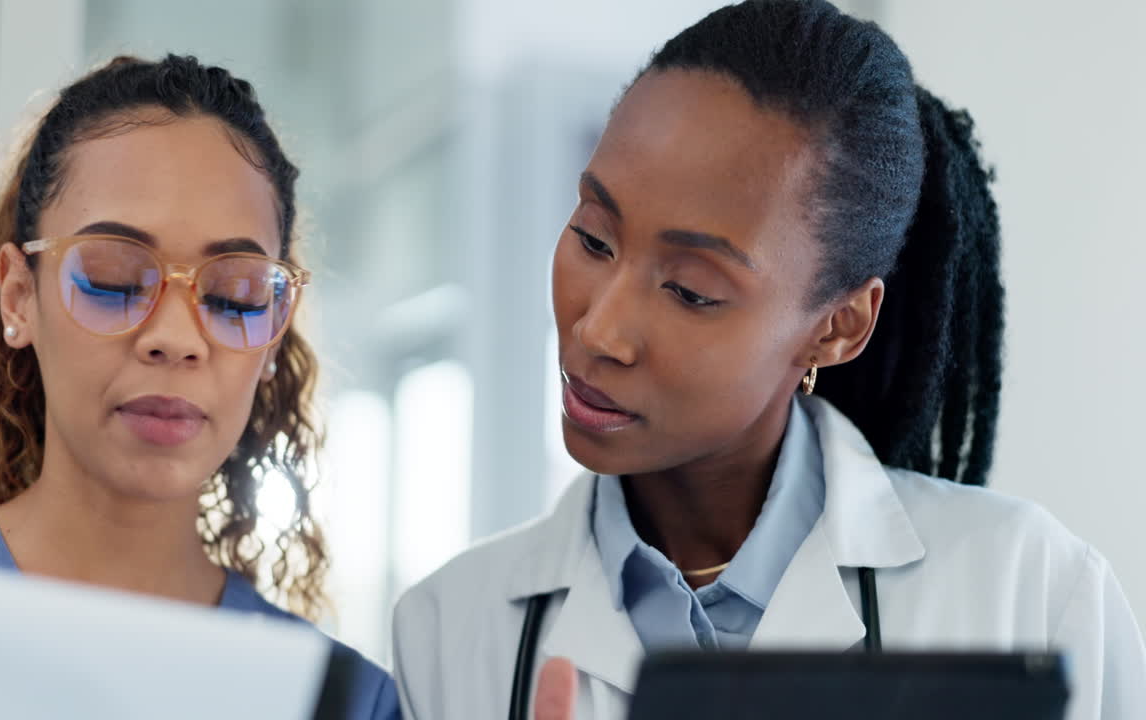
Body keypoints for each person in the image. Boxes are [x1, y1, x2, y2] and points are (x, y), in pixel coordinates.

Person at [391, 2, 1146, 719]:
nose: (599, 332)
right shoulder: (450, 629)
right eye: (593, 238)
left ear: (839, 328)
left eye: (689, 291)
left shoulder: (1030, 593)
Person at [0, 54, 398, 718]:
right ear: (18, 297)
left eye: (234, 296)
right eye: (114, 280)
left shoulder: (341, 701)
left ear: (275, 329)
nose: (176, 338)